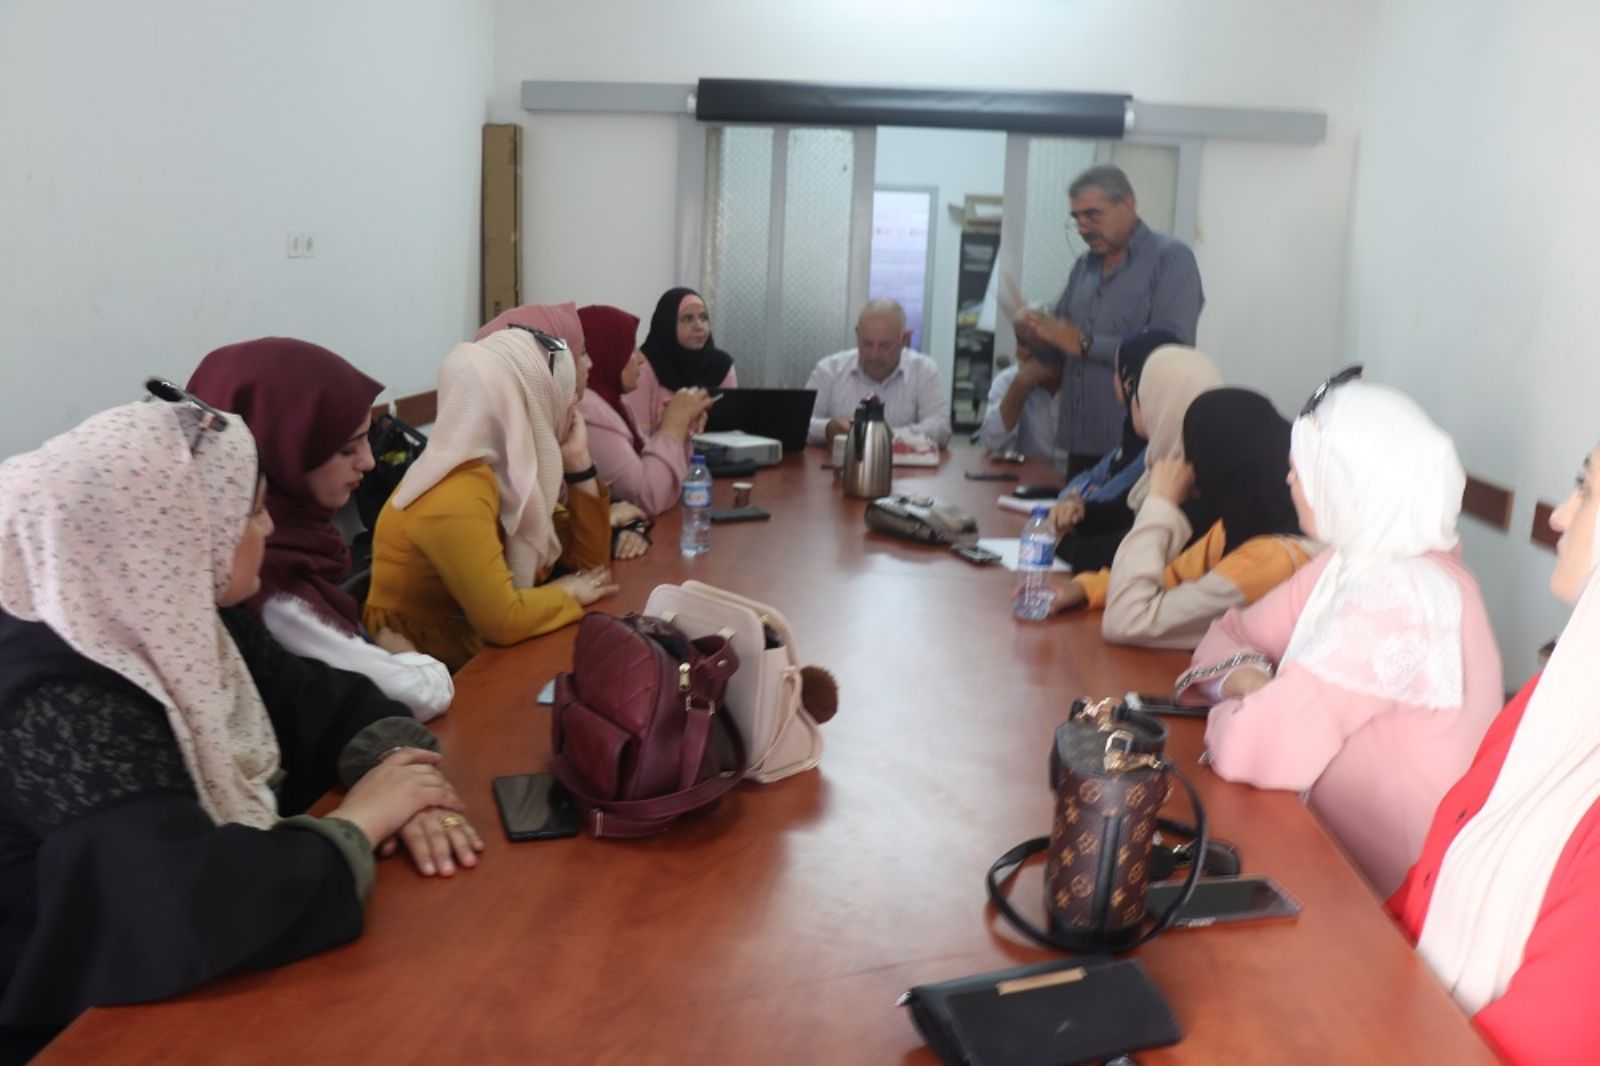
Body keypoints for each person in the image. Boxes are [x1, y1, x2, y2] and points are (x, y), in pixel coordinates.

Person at [0, 395, 481, 1060]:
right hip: (82, 1031)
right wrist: (363, 821)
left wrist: (401, 772)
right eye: (251, 510)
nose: (268, 524)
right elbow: (173, 903)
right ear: (175, 530)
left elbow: (324, 699)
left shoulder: (179, 615)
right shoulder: (55, 695)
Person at [1180, 376, 1502, 896]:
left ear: (1348, 481)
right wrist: (1253, 683)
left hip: (1380, 902)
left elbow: (1253, 745)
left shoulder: (1404, 594)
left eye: (1304, 469)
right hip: (1321, 852)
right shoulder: (1353, 562)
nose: (1289, 479)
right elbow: (1231, 632)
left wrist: (1256, 704)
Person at [1386, 440, 1600, 1064]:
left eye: (1585, 489)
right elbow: (1430, 881)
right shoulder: (1558, 696)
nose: (1558, 515)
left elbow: (1540, 1043)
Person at [187, 338, 454, 722]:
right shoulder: (265, 576)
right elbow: (414, 695)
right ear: (282, 451)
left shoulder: (300, 541)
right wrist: (408, 656)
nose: (369, 461)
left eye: (367, 438)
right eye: (347, 449)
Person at [363, 305, 617, 673]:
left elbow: (591, 568)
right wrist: (565, 592)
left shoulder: (513, 471)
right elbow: (503, 620)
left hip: (468, 648)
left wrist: (579, 465)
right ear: (534, 399)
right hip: (431, 664)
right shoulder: (456, 489)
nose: (571, 405)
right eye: (563, 393)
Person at [1036, 388, 1316, 649]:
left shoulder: (1274, 558)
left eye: (1195, 453)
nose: (1189, 470)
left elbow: (1127, 620)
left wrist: (1160, 503)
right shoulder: (1245, 527)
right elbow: (1171, 576)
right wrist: (1086, 588)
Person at [1016, 164, 1204, 477]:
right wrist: (1036, 334)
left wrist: (1086, 343)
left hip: (1137, 448)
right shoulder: (1083, 268)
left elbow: (1172, 351)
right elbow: (1061, 350)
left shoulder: (1171, 259)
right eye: (1076, 218)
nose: (1083, 228)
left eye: (1092, 214)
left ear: (1128, 204)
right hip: (1078, 443)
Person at [1048, 329, 1181, 571]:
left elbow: (1131, 546)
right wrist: (1079, 510)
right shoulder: (1142, 440)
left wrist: (1061, 544)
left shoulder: (1171, 458)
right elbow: (1114, 505)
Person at [575, 304, 714, 518]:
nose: (640, 358)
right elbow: (648, 497)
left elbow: (672, 486)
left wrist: (681, 426)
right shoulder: (588, 412)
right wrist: (672, 427)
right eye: (630, 348)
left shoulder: (617, 405)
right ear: (606, 352)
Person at [805, 298, 953, 448]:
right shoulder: (829, 370)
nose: (874, 355)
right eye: (867, 344)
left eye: (884, 346)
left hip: (903, 463)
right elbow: (800, 423)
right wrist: (827, 428)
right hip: (839, 461)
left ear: (904, 339)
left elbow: (941, 428)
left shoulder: (923, 370)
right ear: (857, 334)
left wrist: (883, 436)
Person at [625, 287, 737, 436]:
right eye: (687, 319)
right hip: (657, 450)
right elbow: (638, 437)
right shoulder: (643, 365)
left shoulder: (722, 365)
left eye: (703, 318)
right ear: (667, 323)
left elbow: (731, 430)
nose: (699, 326)